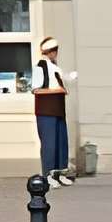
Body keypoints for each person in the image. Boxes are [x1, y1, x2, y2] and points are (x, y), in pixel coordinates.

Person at [30, 36, 73, 184]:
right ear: (49, 52)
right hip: (46, 111)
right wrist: (57, 90)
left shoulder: (56, 68)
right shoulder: (40, 67)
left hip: (58, 110)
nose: (55, 53)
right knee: (49, 144)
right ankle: (48, 175)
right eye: (54, 50)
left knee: (61, 143)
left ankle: (60, 173)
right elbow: (36, 90)